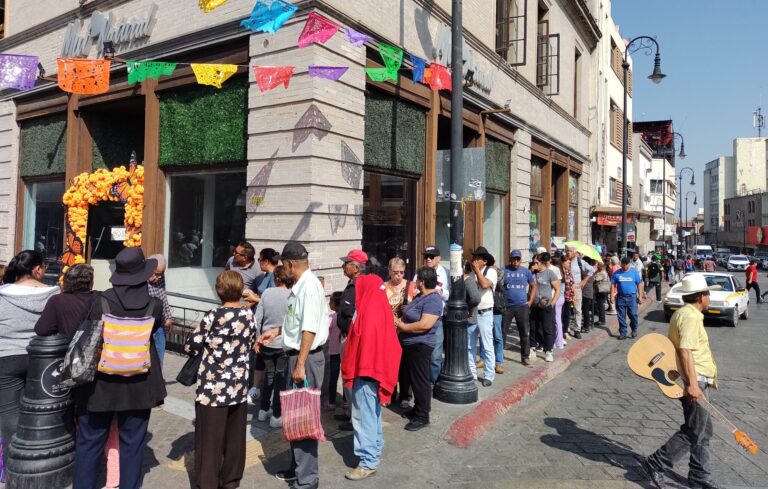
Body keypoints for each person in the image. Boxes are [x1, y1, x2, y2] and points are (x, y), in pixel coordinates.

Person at [73, 248, 167, 489]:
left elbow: (85, 332)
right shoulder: (154, 305)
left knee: (89, 442)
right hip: (140, 383)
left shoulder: (100, 300)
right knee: (133, 446)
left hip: (100, 385)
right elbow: (154, 330)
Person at [257, 241, 329, 489]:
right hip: (298, 356)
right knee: (294, 416)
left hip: (304, 359)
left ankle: (307, 479)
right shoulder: (300, 286)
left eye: (282, 265)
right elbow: (297, 323)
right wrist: (276, 331)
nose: (281, 269)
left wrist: (299, 364)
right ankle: (298, 468)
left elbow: (308, 329)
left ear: (290, 264)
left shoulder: (308, 287)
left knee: (304, 418)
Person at [642, 274, 723, 489]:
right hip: (695, 378)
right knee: (694, 430)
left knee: (703, 431)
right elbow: (685, 350)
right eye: (707, 293)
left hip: (697, 377)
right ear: (700, 297)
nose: (710, 296)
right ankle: (656, 462)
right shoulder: (690, 317)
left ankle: (699, 477)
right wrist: (692, 384)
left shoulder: (685, 314)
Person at [184, 271, 256, 489]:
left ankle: (208, 481)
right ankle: (231, 480)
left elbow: (191, 345)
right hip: (238, 385)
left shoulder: (213, 315)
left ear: (219, 290)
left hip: (213, 387)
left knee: (210, 438)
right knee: (234, 437)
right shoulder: (248, 315)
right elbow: (251, 342)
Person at [0, 250, 59, 476]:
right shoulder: (53, 294)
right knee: (43, 413)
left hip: (6, 357)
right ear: (37, 269)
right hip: (42, 359)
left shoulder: (2, 294)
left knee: (8, 414)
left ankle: (13, 468)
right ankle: (42, 465)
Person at [341, 274, 402, 480]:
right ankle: (374, 448)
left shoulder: (368, 312)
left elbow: (361, 343)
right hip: (376, 370)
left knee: (362, 416)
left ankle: (368, 461)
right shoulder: (380, 306)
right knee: (372, 413)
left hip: (366, 370)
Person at [395, 267, 442, 431]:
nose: (415, 283)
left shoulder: (434, 300)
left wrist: (402, 326)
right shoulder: (421, 296)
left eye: (417, 280)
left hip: (420, 345)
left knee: (421, 381)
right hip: (410, 345)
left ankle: (423, 416)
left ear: (422, 282)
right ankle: (417, 409)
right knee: (413, 380)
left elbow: (425, 324)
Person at [253, 265, 293, 428]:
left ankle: (263, 410)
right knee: (280, 378)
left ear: (276, 278)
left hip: (266, 343)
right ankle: (276, 414)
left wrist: (257, 339)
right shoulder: (292, 295)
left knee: (269, 376)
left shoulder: (267, 293)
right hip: (284, 343)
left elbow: (257, 319)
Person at [336, 249, 368, 430]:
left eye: (346, 263)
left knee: (351, 377)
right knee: (347, 377)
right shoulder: (352, 284)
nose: (343, 266)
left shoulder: (359, 286)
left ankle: (355, 419)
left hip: (351, 340)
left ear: (355, 268)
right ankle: (350, 413)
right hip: (346, 337)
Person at [414, 245, 449, 384]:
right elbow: (413, 289)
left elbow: (450, 293)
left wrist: (441, 293)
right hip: (420, 317)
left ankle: (432, 383)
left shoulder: (445, 273)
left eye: (431, 256)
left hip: (436, 319)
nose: (428, 259)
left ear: (439, 258)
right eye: (426, 256)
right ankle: (420, 382)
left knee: (435, 354)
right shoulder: (419, 273)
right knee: (420, 353)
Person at [35, 263, 96, 337]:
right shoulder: (100, 298)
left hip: (66, 346)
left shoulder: (57, 300)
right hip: (95, 346)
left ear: (66, 281)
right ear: (90, 283)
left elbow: (41, 330)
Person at [501, 250, 536, 366]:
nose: (515, 262)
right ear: (510, 259)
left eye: (517, 259)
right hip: (507, 307)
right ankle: (499, 357)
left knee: (524, 332)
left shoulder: (526, 272)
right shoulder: (504, 270)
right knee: (502, 332)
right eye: (513, 259)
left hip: (522, 306)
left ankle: (525, 356)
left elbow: (533, 285)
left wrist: (530, 301)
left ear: (520, 260)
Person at [468, 247, 497, 386]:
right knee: (470, 345)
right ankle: (472, 374)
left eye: (478, 258)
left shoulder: (491, 272)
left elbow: (485, 284)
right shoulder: (472, 273)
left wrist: (477, 271)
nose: (475, 261)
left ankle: (489, 375)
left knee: (487, 345)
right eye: (475, 258)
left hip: (485, 312)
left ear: (484, 261)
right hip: (472, 313)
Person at [530, 253, 560, 362]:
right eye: (534, 263)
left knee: (547, 329)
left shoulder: (549, 273)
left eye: (537, 263)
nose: (535, 264)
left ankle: (549, 350)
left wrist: (552, 303)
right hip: (534, 305)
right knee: (533, 327)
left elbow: (557, 289)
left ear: (542, 263)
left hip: (546, 305)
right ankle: (532, 348)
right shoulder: (533, 274)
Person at [147, 254, 173, 365]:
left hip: (159, 324)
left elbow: (163, 296)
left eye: (161, 274)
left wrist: (168, 316)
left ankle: (158, 380)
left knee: (158, 359)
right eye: (156, 274)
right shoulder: (139, 280)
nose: (159, 277)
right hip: (145, 324)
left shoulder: (159, 277)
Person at [611, 257, 644, 341]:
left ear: (629, 264)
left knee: (633, 315)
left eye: (626, 264)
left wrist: (640, 296)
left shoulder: (634, 272)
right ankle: (623, 332)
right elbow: (612, 284)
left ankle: (634, 329)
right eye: (623, 264)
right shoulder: (617, 273)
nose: (624, 266)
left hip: (632, 298)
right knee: (621, 317)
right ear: (621, 263)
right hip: (621, 298)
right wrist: (611, 296)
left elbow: (639, 284)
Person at [565, 245, 594, 336]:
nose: (568, 252)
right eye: (567, 251)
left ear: (575, 252)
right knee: (565, 310)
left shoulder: (580, 262)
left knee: (577, 310)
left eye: (570, 250)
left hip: (576, 288)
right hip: (565, 288)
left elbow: (592, 270)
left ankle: (577, 329)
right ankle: (565, 329)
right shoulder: (564, 261)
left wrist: (584, 281)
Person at [323, 292, 343, 411]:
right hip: (344, 352)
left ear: (335, 304)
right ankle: (346, 401)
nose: (329, 304)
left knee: (333, 378)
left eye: (330, 302)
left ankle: (331, 401)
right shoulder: (345, 317)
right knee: (345, 377)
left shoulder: (331, 317)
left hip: (334, 352)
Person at [580, 257, 596, 334]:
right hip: (589, 291)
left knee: (585, 310)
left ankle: (586, 326)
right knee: (586, 310)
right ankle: (586, 325)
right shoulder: (592, 270)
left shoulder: (586, 272)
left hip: (585, 292)